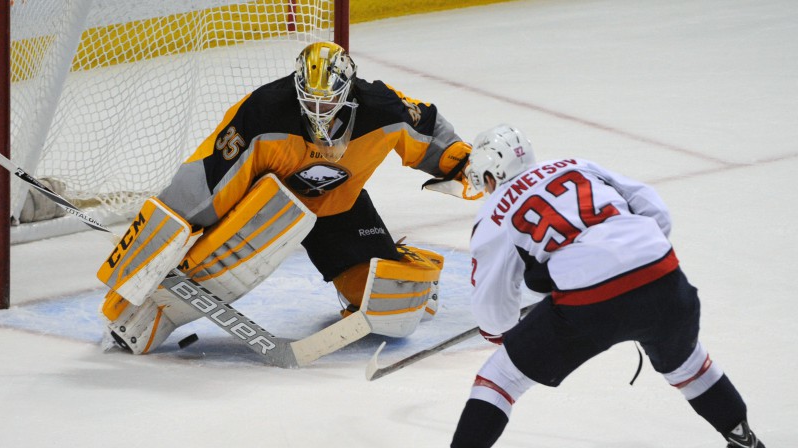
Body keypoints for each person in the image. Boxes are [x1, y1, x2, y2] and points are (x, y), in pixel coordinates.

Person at [95, 41, 479, 355]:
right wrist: (157, 246)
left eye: (327, 102)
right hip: (264, 211)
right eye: (309, 100)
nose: (317, 111)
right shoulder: (264, 111)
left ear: (348, 92)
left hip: (338, 207)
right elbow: (208, 181)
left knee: (391, 311)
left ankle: (402, 263)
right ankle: (157, 310)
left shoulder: (382, 107)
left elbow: (426, 129)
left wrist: (463, 164)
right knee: (178, 288)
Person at [450, 124, 765, 448]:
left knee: (501, 378)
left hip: (590, 301)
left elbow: (493, 310)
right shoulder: (574, 164)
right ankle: (744, 439)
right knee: (688, 364)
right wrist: (632, 261)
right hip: (661, 272)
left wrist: (503, 334)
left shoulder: (494, 211)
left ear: (489, 175)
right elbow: (654, 207)